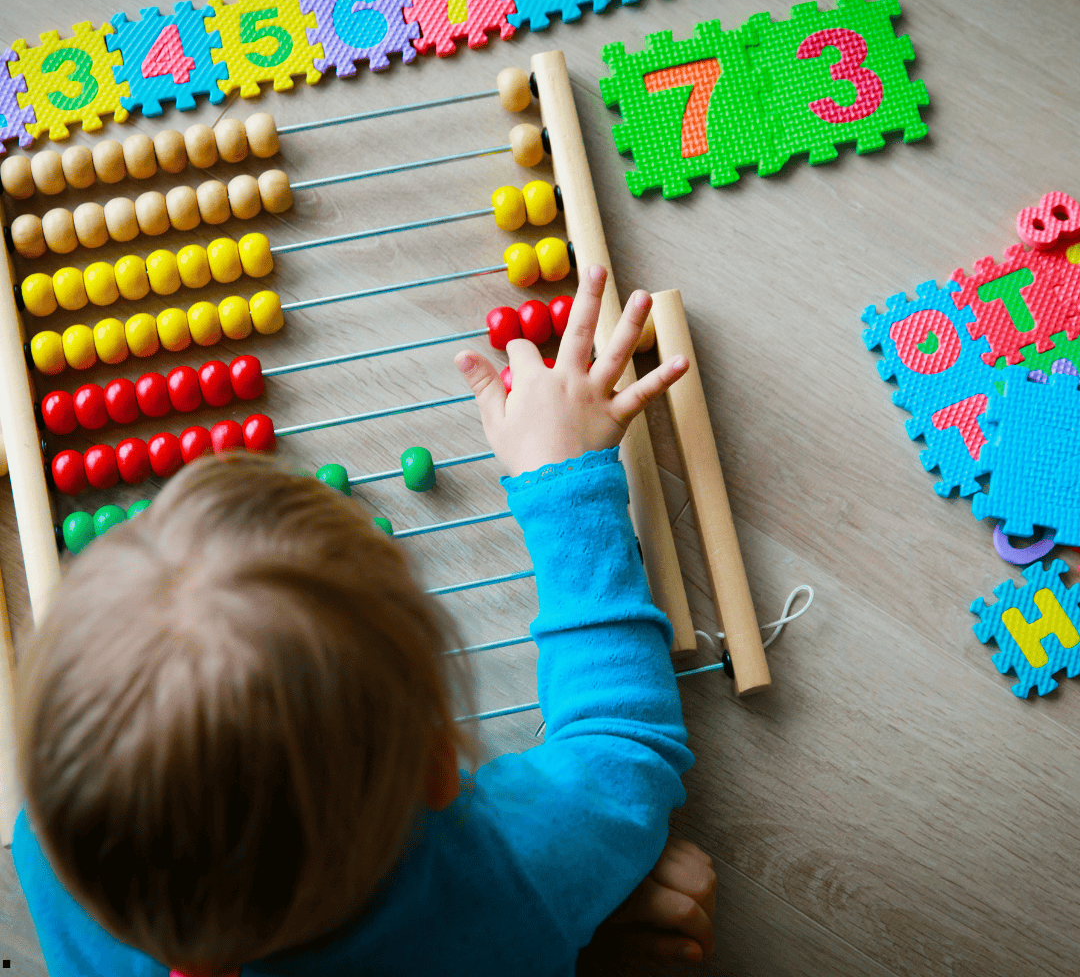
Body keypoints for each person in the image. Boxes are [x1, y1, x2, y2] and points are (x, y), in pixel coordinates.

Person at [13, 265, 716, 976]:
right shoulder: (501, 877)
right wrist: (563, 483)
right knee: (667, 883)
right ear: (438, 768)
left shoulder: (52, 850)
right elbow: (619, 745)